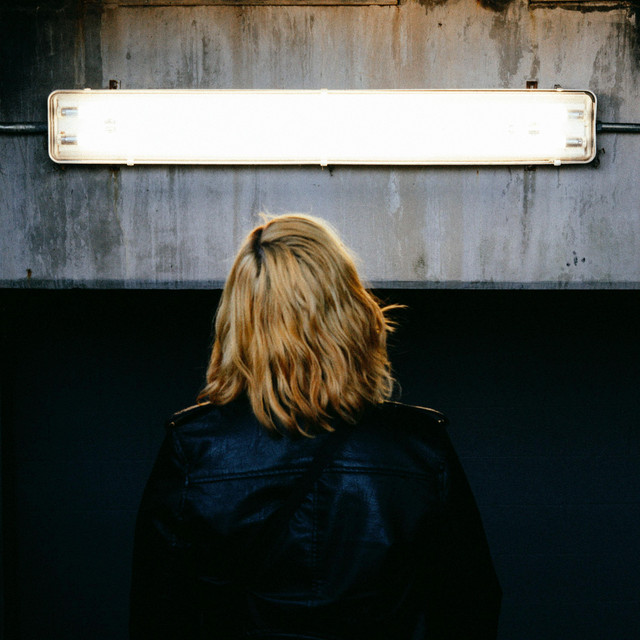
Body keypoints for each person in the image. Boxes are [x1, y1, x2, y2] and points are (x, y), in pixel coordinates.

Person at [129, 214, 501, 639]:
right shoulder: (419, 449)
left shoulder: (195, 451)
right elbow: (470, 609)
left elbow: (157, 617)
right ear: (349, 308)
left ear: (239, 318)